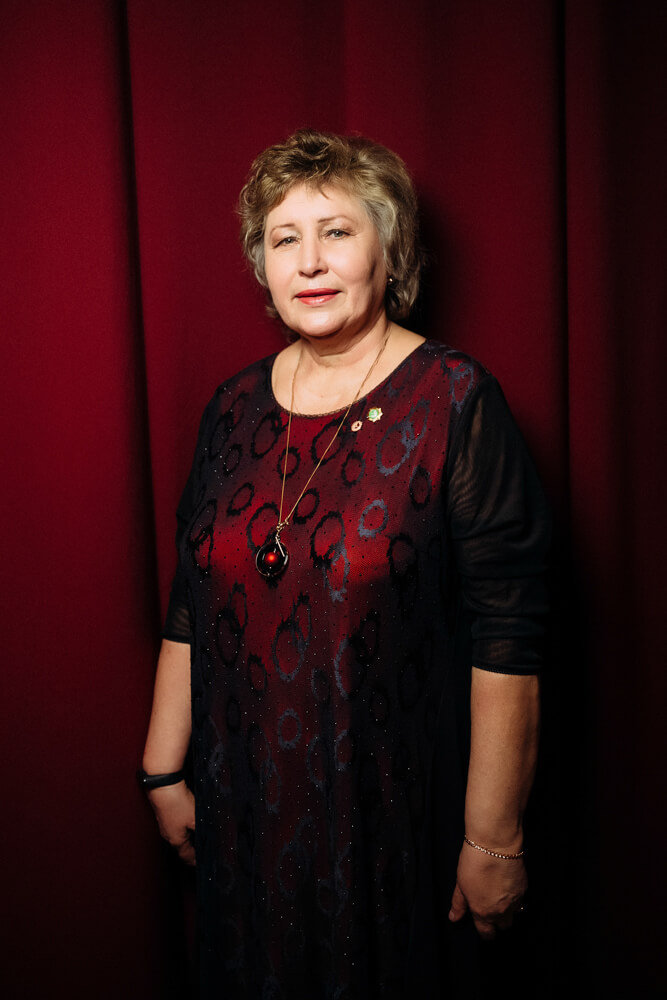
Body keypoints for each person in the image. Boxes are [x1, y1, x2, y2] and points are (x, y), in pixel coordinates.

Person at [140, 128, 550, 998]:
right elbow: (190, 596)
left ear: (388, 249)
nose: (310, 262)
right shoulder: (232, 406)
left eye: (337, 231)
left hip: (389, 817)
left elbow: (508, 636)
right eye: (283, 238)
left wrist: (493, 839)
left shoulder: (454, 401)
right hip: (241, 810)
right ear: (261, 264)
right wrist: (162, 768)